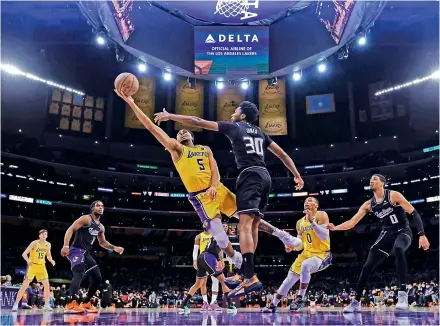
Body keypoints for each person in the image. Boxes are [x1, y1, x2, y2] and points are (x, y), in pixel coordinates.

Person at [116, 92, 301, 269]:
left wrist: (214, 186)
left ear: (193, 136)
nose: (183, 132)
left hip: (217, 188)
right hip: (201, 197)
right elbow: (151, 127)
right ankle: (235, 258)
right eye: (180, 133)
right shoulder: (176, 149)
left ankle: (282, 235)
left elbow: (215, 171)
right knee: (221, 237)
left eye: (186, 131)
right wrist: (132, 102)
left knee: (249, 217)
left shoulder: (205, 149)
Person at [154, 101, 304, 297]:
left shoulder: (234, 127)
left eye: (236, 111)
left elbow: (198, 121)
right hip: (265, 177)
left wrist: (171, 116)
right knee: (253, 225)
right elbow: (283, 154)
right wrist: (297, 174)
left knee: (244, 225)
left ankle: (249, 275)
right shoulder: (260, 133)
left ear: (243, 116)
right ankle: (248, 272)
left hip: (248, 175)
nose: (233, 113)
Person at [328, 174, 430, 312]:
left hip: (403, 231)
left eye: (375, 179)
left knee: (399, 249)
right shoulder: (368, 204)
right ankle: (356, 301)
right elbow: (352, 222)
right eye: (370, 179)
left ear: (382, 183)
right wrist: (335, 228)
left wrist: (422, 235)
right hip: (386, 234)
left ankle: (402, 294)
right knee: (367, 266)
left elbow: (414, 213)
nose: (371, 180)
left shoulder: (393, 195)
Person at [263, 197, 332, 312]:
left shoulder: (321, 215)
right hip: (306, 254)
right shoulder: (299, 223)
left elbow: (324, 236)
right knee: (288, 280)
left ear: (316, 205)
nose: (307, 202)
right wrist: (292, 247)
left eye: (310, 200)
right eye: (305, 201)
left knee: (306, 265)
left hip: (322, 254)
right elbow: (300, 244)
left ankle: (300, 297)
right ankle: (273, 305)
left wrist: (312, 222)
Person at [61, 200, 124, 313]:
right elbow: (70, 229)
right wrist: (66, 245)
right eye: (98, 206)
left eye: (102, 206)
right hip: (76, 250)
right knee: (79, 273)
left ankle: (86, 302)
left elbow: (102, 242)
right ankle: (70, 303)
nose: (100, 208)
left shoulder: (101, 227)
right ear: (92, 208)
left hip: (86, 253)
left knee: (97, 277)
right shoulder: (86, 219)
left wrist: (114, 248)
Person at [179, 232, 236, 314]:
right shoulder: (220, 236)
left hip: (201, 258)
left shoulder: (216, 236)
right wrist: (219, 259)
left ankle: (183, 305)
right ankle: (230, 305)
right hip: (209, 258)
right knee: (223, 280)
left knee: (198, 283)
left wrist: (221, 258)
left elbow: (218, 249)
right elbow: (214, 248)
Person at [12, 229, 55, 311]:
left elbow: (48, 256)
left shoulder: (48, 245)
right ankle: (16, 304)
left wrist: (51, 260)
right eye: (42, 234)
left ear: (47, 236)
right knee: (25, 285)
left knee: (47, 285)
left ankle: (46, 304)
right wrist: (28, 261)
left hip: (42, 266)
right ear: (39, 235)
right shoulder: (34, 243)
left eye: (45, 234)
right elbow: (24, 254)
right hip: (33, 266)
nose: (44, 235)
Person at [193, 229, 221, 311]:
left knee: (216, 281)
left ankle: (213, 302)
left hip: (213, 260)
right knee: (202, 282)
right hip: (203, 260)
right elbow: (195, 250)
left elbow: (218, 249)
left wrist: (221, 260)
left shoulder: (215, 235)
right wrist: (194, 261)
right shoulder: (199, 236)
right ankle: (205, 303)